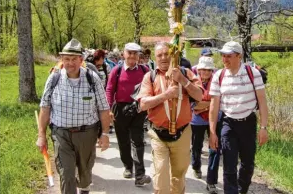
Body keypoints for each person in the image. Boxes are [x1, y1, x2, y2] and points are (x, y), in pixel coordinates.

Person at [36, 38, 110, 194]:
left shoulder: (92, 79)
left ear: (81, 60)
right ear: (62, 59)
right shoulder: (54, 78)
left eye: (74, 59)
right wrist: (41, 135)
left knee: (85, 173)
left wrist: (104, 134)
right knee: (67, 174)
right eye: (66, 59)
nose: (70, 63)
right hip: (61, 134)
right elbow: (45, 107)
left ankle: (84, 187)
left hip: (87, 133)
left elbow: (104, 108)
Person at [138, 42, 203, 194]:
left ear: (173, 55)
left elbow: (199, 95)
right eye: (159, 55)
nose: (163, 58)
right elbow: (143, 104)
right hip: (158, 134)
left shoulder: (185, 73)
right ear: (155, 57)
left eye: (166, 54)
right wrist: (166, 95)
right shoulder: (150, 76)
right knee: (161, 177)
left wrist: (183, 81)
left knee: (178, 176)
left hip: (182, 133)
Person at [209, 41, 269, 194]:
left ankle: (241, 190)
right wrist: (212, 132)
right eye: (223, 56)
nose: (224, 60)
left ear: (239, 56)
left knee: (248, 164)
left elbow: (262, 101)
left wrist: (263, 128)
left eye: (228, 56)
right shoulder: (219, 76)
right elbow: (214, 106)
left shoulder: (253, 73)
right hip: (228, 123)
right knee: (229, 165)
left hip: (248, 123)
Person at [105, 42, 151, 187]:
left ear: (139, 56)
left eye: (135, 53)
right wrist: (109, 109)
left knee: (138, 141)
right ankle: (127, 166)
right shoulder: (116, 71)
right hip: (120, 108)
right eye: (129, 53)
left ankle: (139, 175)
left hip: (138, 109)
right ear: (123, 54)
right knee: (123, 141)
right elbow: (109, 89)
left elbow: (151, 89)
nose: (132, 56)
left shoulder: (145, 70)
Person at [190, 56, 222, 194]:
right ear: (198, 69)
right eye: (203, 70)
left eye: (208, 70)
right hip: (196, 120)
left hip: (215, 119)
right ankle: (196, 166)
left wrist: (205, 106)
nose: (206, 73)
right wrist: (211, 105)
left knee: (215, 148)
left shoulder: (218, 81)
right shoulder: (193, 81)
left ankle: (211, 180)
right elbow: (193, 105)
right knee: (196, 146)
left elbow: (221, 101)